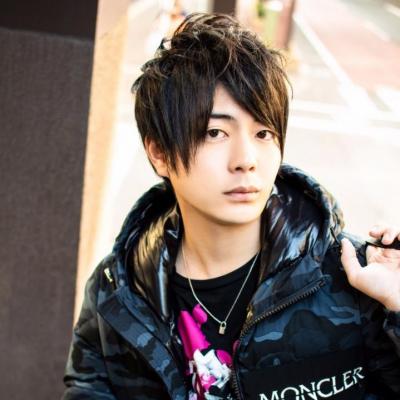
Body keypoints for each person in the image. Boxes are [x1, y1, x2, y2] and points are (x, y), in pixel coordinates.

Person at [62, 13, 400, 400]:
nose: (246, 160)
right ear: (159, 153)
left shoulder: (353, 277)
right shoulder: (118, 292)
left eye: (263, 133)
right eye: (215, 132)